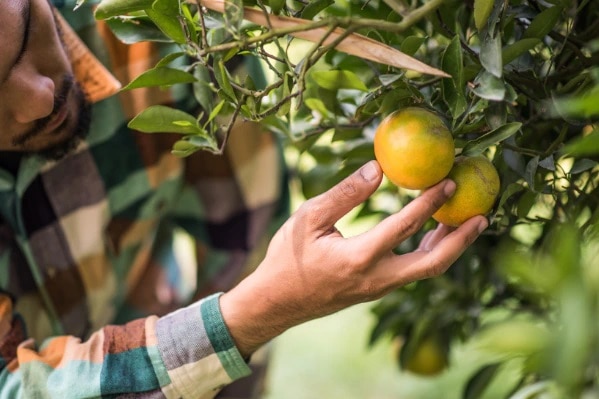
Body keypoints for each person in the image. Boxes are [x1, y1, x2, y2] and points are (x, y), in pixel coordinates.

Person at [0, 0, 489, 398]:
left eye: (25, 33)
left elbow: (244, 237)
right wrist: (252, 314)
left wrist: (226, 348)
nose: (40, 98)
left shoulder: (167, 28)